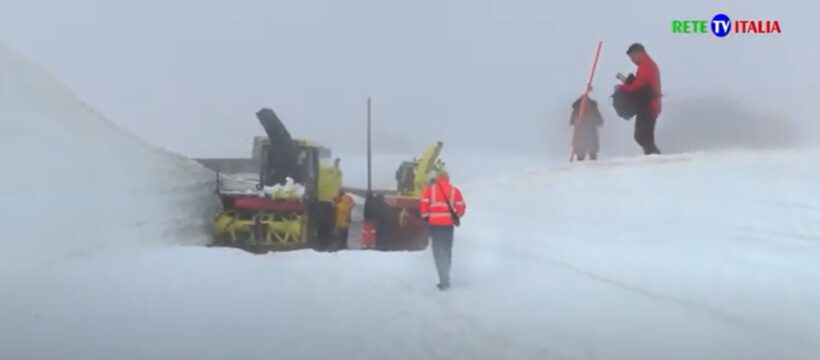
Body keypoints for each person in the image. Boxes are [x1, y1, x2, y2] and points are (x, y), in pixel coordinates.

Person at [420, 170, 466, 291]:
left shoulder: (429, 190)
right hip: (448, 226)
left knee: (437, 252)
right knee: (446, 251)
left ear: (436, 178)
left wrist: (426, 218)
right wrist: (456, 216)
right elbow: (461, 207)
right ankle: (446, 277)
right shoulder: (454, 190)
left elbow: (424, 206)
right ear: (447, 178)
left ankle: (442, 278)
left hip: (434, 226)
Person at [618, 43, 662, 155]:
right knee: (643, 137)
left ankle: (655, 157)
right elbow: (640, 84)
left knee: (642, 136)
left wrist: (623, 87)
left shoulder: (646, 66)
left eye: (633, 57)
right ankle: (653, 157)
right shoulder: (646, 65)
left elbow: (638, 86)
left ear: (639, 52)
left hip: (649, 106)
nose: (632, 60)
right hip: (647, 105)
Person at [570, 94, 604, 161]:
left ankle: (579, 170)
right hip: (592, 134)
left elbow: (572, 122)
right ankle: (595, 170)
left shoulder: (576, 108)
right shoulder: (593, 107)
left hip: (579, 135)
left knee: (580, 157)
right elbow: (600, 121)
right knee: (593, 155)